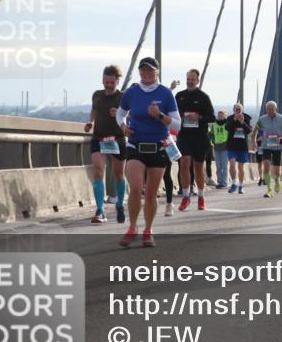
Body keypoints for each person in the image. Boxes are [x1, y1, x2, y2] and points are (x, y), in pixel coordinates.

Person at [116, 56, 180, 247]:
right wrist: (123, 126)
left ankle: (148, 230)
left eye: (150, 70)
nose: (146, 74)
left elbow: (177, 124)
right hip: (135, 144)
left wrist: (159, 115)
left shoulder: (166, 93)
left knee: (151, 193)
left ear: (157, 72)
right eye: (143, 70)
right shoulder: (132, 92)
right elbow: (121, 113)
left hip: (158, 147)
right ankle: (132, 228)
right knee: (136, 188)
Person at [84, 64, 127, 224]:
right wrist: (91, 122)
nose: (108, 85)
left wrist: (120, 114)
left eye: (111, 82)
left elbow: (130, 118)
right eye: (105, 82)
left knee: (119, 174)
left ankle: (120, 205)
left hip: (117, 138)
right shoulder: (97, 95)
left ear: (117, 82)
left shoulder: (123, 97)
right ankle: (100, 210)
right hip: (99, 138)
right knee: (98, 171)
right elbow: (94, 110)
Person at [171, 69, 216, 212]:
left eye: (192, 79)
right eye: (188, 79)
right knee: (184, 163)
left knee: (198, 167)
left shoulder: (203, 97)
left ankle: (201, 196)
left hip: (200, 137)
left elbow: (212, 117)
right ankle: (186, 196)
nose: (190, 81)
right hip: (184, 135)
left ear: (197, 81)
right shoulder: (179, 96)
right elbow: (172, 113)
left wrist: (199, 117)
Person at [256, 102, 282, 198]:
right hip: (266, 145)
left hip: (278, 146)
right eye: (268, 109)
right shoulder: (262, 119)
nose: (270, 111)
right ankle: (269, 189)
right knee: (266, 165)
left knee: (277, 170)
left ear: (276, 109)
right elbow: (255, 130)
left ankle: (277, 180)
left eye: (272, 109)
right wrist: (254, 140)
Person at [225, 104, 254, 194]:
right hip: (231, 145)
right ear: (233, 110)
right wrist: (234, 120)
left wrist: (242, 122)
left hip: (242, 146)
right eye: (236, 109)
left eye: (239, 109)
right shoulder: (230, 118)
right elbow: (227, 128)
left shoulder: (247, 118)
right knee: (232, 164)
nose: (237, 111)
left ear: (242, 110)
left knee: (240, 167)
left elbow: (249, 130)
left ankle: (241, 186)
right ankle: (234, 183)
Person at [210, 110, 229, 189]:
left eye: (222, 115)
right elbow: (211, 135)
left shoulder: (227, 124)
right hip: (217, 147)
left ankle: (224, 182)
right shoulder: (214, 125)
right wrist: (212, 143)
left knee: (224, 166)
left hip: (225, 147)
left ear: (225, 116)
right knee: (218, 166)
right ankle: (220, 182)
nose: (220, 116)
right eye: (219, 115)